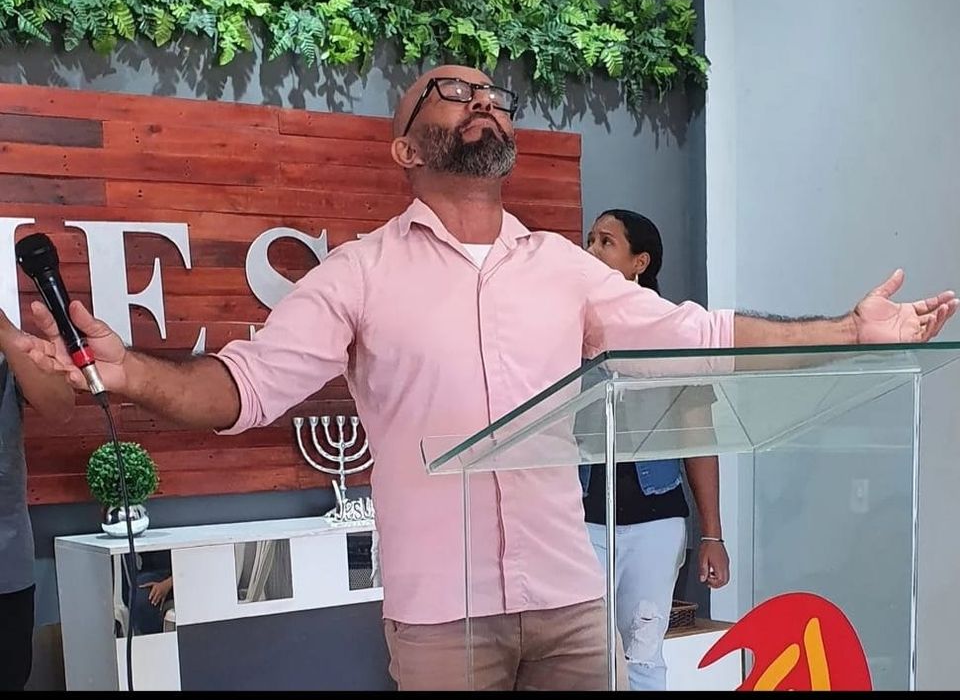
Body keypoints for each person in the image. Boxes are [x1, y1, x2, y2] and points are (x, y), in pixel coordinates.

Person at [15, 64, 957, 691]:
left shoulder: (562, 267)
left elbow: (697, 335)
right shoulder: (358, 273)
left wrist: (849, 330)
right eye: (450, 91)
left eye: (491, 92)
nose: (481, 99)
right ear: (406, 149)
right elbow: (245, 387)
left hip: (570, 603)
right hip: (441, 621)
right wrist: (131, 371)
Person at [580, 209, 729, 691]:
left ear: (639, 262)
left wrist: (713, 535)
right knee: (581, 657)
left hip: (655, 521)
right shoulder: (570, 331)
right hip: (579, 520)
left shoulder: (675, 333)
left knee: (642, 655)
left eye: (606, 242)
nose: (592, 250)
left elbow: (698, 437)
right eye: (590, 240)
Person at [0, 307, 75, 691]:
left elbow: (61, 407)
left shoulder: (10, 348)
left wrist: (6, 334)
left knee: (11, 675)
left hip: (6, 563)